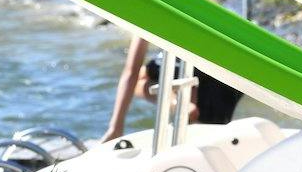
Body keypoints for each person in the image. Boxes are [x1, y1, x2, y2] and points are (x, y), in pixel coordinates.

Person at [101, 37, 242, 142]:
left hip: (193, 73)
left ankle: (179, 103)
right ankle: (184, 104)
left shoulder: (148, 9)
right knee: (213, 133)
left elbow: (131, 72)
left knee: (141, 77)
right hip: (231, 72)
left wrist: (116, 127)